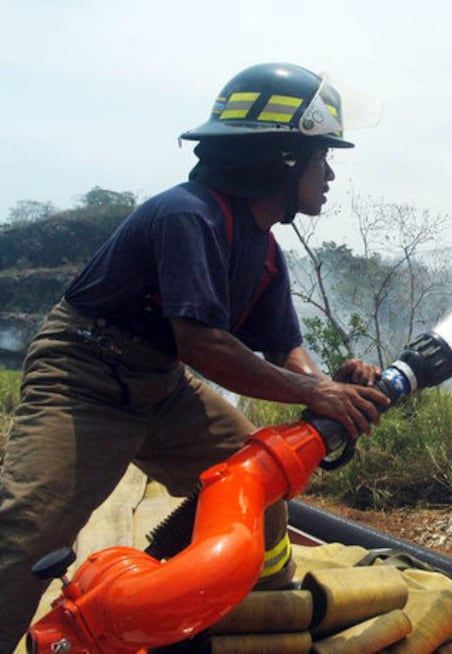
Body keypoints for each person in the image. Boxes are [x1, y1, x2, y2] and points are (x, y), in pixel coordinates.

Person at [0, 62, 389, 650]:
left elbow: (284, 347)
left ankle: (261, 609)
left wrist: (333, 390)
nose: (330, 173)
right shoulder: (189, 215)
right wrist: (318, 393)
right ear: (283, 159)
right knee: (31, 529)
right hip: (85, 374)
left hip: (162, 384)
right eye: (321, 158)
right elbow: (203, 344)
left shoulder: (264, 253)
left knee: (259, 477)